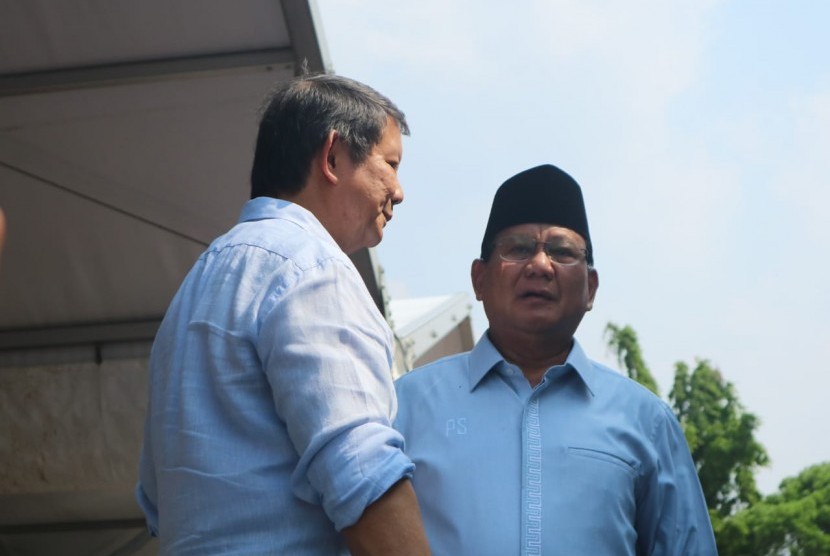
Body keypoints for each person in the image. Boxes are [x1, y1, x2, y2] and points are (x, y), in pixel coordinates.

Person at [137, 74, 430, 555]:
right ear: (333, 156)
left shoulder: (193, 290)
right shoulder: (312, 267)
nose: (399, 191)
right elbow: (360, 470)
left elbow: (154, 495)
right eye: (390, 164)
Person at [394, 164, 717, 555]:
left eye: (562, 252)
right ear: (479, 279)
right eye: (518, 249)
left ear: (590, 288)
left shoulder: (646, 421)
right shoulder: (405, 407)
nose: (540, 266)